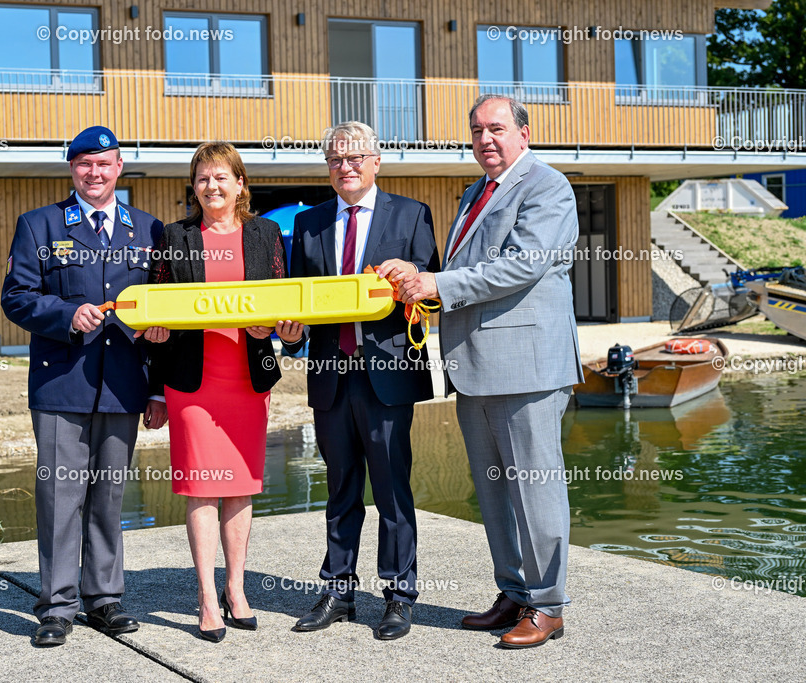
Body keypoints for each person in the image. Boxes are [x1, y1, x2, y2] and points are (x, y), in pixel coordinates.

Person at [396, 94, 584, 649]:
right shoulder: (476, 193)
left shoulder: (548, 187)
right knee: (495, 491)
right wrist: (421, 278)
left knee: (535, 490)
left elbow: (521, 265)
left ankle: (548, 606)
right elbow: (464, 269)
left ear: (524, 133)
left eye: (497, 129)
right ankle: (514, 592)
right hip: (474, 368)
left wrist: (440, 286)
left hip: (526, 369)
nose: (485, 139)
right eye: (476, 130)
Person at [1, 125, 169, 647]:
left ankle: (104, 601)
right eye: (84, 165)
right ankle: (56, 606)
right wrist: (67, 314)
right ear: (71, 169)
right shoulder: (39, 226)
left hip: (124, 387)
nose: (94, 173)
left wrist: (158, 389)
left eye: (104, 164)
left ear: (120, 167)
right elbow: (17, 297)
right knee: (59, 497)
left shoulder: (151, 231)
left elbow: (165, 316)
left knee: (110, 496)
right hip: (62, 386)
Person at [282, 121, 439, 641]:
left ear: (377, 161)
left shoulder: (412, 214)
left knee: (393, 489)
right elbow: (297, 303)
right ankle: (337, 591)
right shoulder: (308, 223)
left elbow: (432, 293)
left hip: (388, 374)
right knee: (340, 487)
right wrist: (289, 334)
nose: (345, 166)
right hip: (330, 373)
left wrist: (411, 276)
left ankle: (398, 597)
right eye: (335, 159)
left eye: (354, 158)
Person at [148, 141, 287, 643]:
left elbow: (282, 301)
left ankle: (237, 589)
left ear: (240, 184)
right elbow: (153, 311)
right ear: (194, 187)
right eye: (203, 178)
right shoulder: (174, 236)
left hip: (248, 380)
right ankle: (207, 596)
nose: (212, 186)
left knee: (241, 486)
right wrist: (155, 374)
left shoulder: (266, 233)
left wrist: (278, 329)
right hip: (192, 383)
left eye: (222, 177)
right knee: (203, 487)